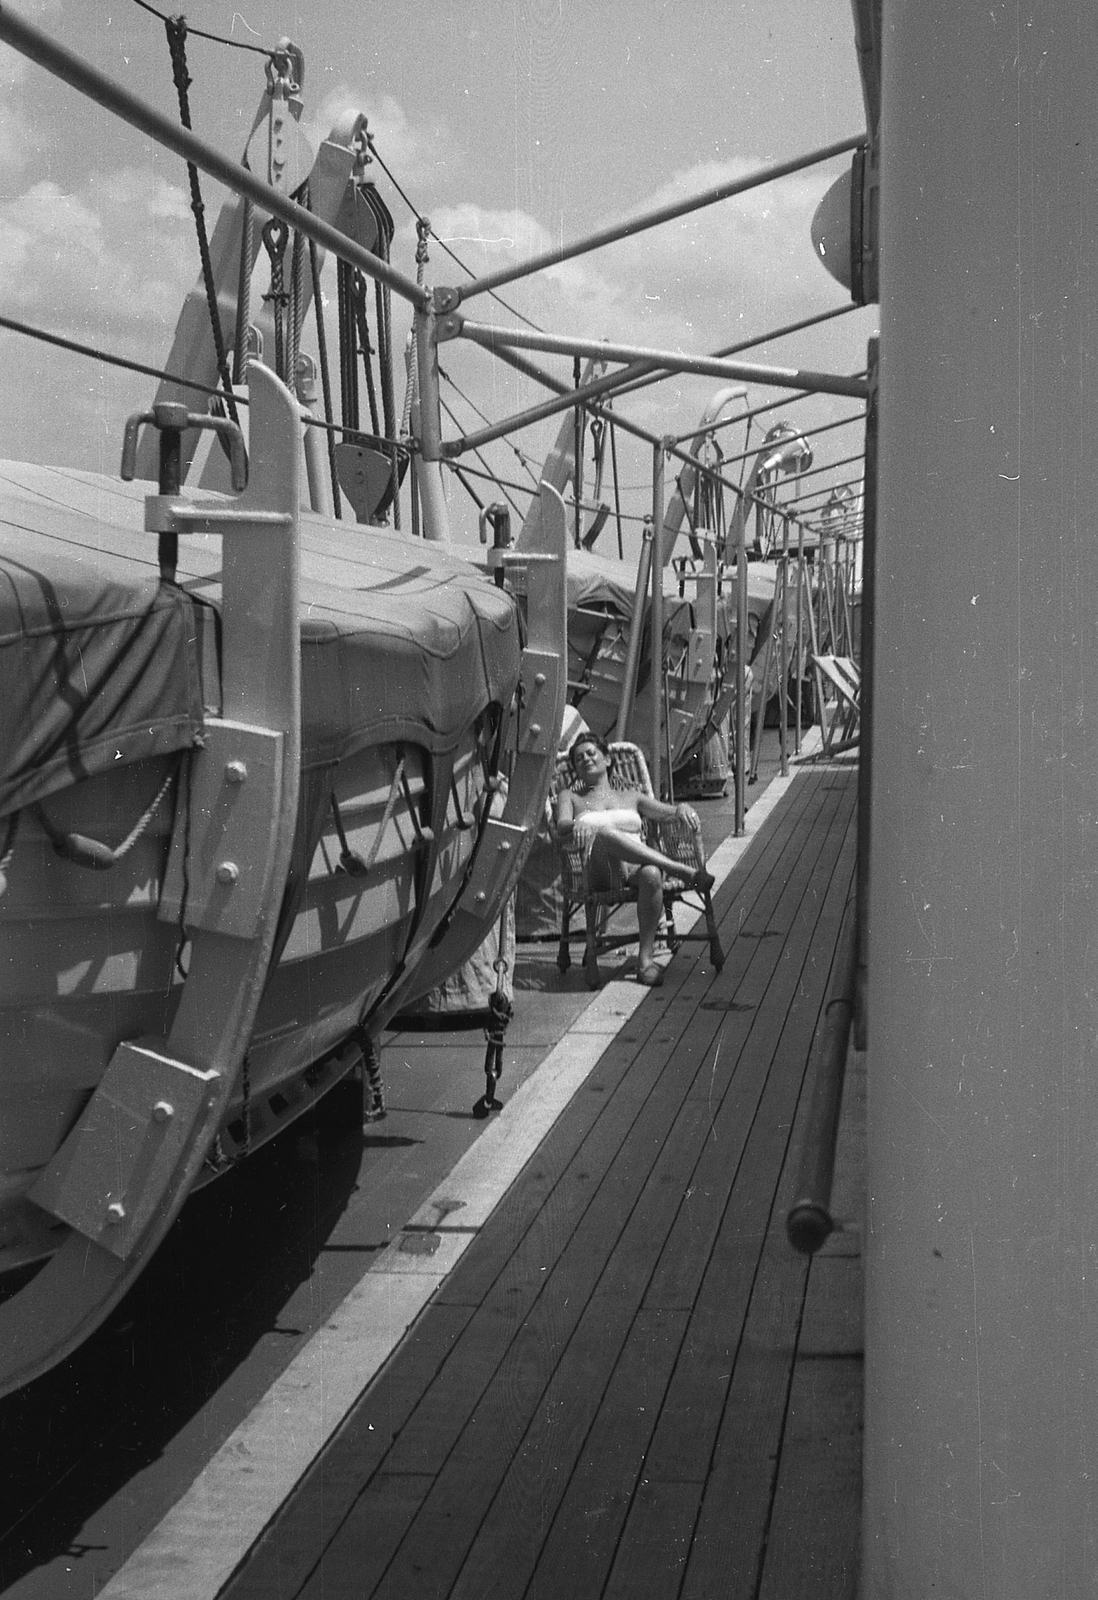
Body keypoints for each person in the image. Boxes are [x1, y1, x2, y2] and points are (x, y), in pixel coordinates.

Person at [554, 731, 713, 988]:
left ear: (607, 759)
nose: (585, 759)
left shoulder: (631, 795)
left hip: (634, 868)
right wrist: (575, 825)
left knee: (651, 875)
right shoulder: (570, 797)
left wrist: (681, 808)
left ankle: (645, 961)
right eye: (579, 758)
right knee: (605, 834)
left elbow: (668, 813)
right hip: (598, 871)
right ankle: (681, 870)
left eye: (591, 753)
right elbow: (561, 825)